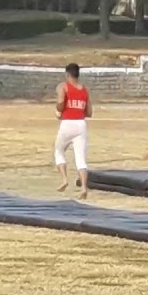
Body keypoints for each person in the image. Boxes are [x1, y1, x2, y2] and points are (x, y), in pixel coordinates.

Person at [54, 62, 91, 199]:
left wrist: (59, 111)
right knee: (80, 158)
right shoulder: (84, 90)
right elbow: (89, 112)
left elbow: (61, 103)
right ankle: (84, 187)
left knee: (59, 151)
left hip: (67, 123)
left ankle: (64, 179)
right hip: (81, 124)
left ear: (67, 74)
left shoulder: (64, 87)